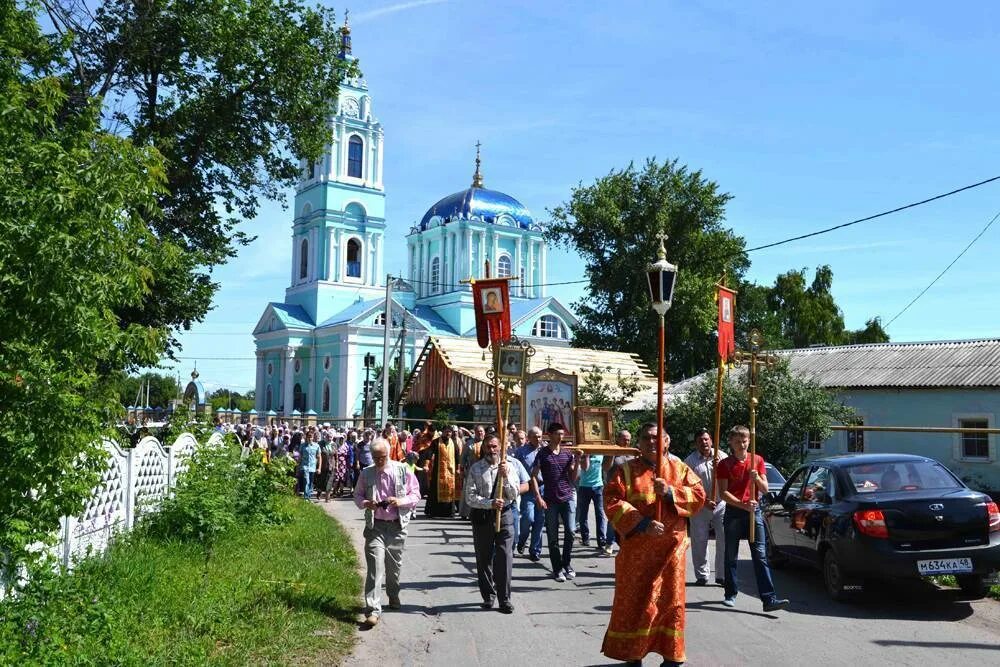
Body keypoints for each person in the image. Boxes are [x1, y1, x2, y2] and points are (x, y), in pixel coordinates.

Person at [602, 422, 705, 667]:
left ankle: (671, 654)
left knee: (670, 602)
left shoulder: (679, 469)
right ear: (638, 442)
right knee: (637, 601)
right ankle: (633, 653)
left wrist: (670, 492)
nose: (652, 442)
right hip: (638, 552)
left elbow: (699, 495)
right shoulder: (626, 471)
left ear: (667, 442)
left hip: (671, 550)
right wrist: (641, 523)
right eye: (647, 438)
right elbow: (611, 501)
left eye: (657, 438)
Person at [717, 425, 789, 612]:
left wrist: (756, 478)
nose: (742, 444)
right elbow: (723, 493)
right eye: (738, 441)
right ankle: (730, 593)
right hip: (734, 512)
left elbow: (765, 489)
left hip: (754, 512)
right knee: (730, 555)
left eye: (745, 441)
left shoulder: (757, 460)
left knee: (760, 555)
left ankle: (769, 599)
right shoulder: (724, 464)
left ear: (749, 441)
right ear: (731, 443)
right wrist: (742, 505)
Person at [353, 438, 421, 626]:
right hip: (375, 526)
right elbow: (357, 494)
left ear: (389, 454)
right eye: (375, 457)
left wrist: (400, 501)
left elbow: (416, 494)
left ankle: (393, 594)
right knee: (375, 567)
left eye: (382, 457)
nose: (378, 461)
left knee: (393, 568)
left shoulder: (402, 470)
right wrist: (366, 503)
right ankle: (373, 610)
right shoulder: (366, 473)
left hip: (396, 526)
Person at [464, 435, 530, 613]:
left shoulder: (509, 466)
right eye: (488, 447)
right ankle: (488, 596)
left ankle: (505, 599)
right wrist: (489, 503)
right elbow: (469, 497)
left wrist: (506, 477)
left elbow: (515, 492)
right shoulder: (476, 469)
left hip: (506, 515)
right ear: (483, 448)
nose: (491, 450)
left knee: (505, 557)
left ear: (501, 447)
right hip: (483, 517)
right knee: (484, 558)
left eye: (494, 446)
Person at [530, 422, 580, 582]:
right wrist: (538, 496)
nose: (560, 437)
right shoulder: (542, 454)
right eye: (557, 434)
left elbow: (573, 478)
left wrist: (578, 461)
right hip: (550, 499)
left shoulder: (567, 454)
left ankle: (567, 564)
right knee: (552, 536)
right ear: (549, 435)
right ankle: (557, 568)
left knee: (571, 531)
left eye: (562, 434)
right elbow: (534, 475)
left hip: (567, 497)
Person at [684, 428, 727, 586]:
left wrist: (721, 467)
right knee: (700, 540)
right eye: (701, 440)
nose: (704, 442)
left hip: (721, 503)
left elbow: (730, 478)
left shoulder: (722, 456)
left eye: (707, 439)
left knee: (723, 539)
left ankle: (722, 575)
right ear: (696, 443)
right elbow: (687, 486)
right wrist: (704, 500)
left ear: (712, 441)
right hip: (700, 505)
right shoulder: (690, 461)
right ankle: (702, 575)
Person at [601, 429, 636, 556]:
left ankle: (625, 543)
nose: (626, 441)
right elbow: (605, 468)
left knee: (628, 517)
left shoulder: (632, 453)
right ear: (618, 439)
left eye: (628, 439)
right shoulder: (612, 452)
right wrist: (611, 454)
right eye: (624, 438)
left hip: (629, 491)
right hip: (614, 491)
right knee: (614, 518)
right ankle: (609, 543)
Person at [514, 427, 547, 562]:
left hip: (543, 489)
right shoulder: (521, 452)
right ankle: (522, 540)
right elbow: (515, 470)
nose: (537, 439)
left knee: (540, 521)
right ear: (529, 437)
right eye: (534, 436)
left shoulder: (546, 451)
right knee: (528, 518)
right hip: (528, 490)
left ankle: (535, 550)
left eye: (539, 436)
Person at [419, 425, 462, 517]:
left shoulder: (453, 442)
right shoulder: (436, 442)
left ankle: (448, 512)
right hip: (438, 472)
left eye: (449, 432)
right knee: (435, 491)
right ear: (442, 432)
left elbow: (458, 457)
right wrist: (426, 465)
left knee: (450, 491)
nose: (448, 433)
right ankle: (433, 512)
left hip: (451, 472)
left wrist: (458, 469)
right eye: (446, 431)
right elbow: (429, 454)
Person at [576, 450, 607, 551]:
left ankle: (601, 540)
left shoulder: (600, 452)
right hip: (584, 486)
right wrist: (587, 454)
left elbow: (607, 466)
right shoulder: (583, 453)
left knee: (600, 514)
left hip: (598, 486)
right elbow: (585, 467)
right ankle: (585, 537)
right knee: (583, 514)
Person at [299, 430, 321, 500]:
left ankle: (308, 496)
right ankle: (306, 498)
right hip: (305, 467)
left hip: (313, 467)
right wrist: (298, 467)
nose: (309, 438)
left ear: (313, 437)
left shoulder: (316, 446)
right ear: (306, 437)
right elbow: (300, 457)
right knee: (306, 481)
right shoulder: (302, 446)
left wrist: (319, 468)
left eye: (311, 437)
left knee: (311, 483)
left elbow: (319, 457)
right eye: (308, 437)